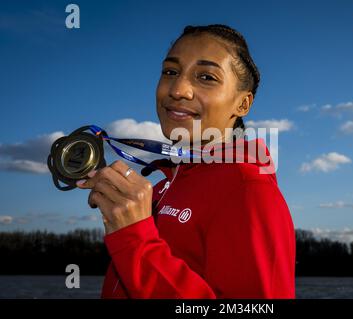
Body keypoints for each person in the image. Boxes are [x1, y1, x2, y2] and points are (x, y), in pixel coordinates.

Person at [77, 24, 296, 299]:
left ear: (242, 104)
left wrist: (135, 239)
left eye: (206, 76)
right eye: (170, 72)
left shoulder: (250, 191)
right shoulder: (159, 189)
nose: (178, 89)